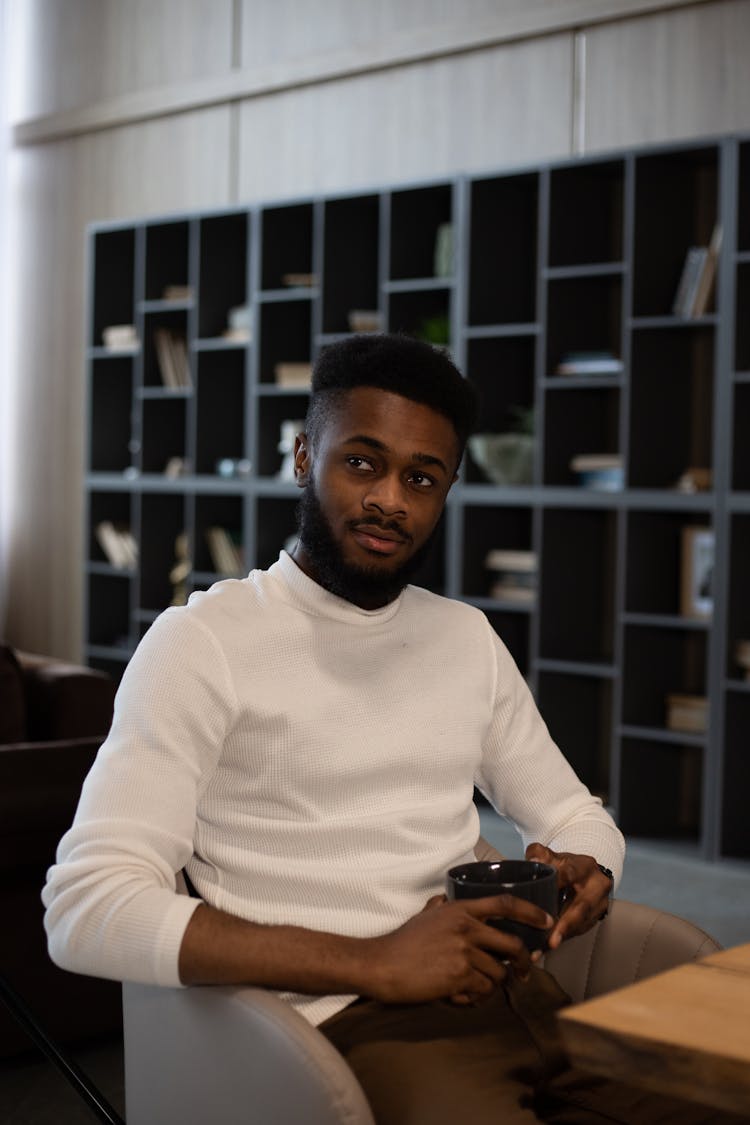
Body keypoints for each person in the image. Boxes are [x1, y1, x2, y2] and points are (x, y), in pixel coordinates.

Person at [43, 334, 731, 1124]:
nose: (390, 500)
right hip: (351, 1026)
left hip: (524, 998)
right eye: (362, 462)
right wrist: (376, 961)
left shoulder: (465, 638)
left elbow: (575, 813)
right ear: (305, 456)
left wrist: (591, 865)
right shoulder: (202, 643)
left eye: (422, 477)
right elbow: (87, 908)